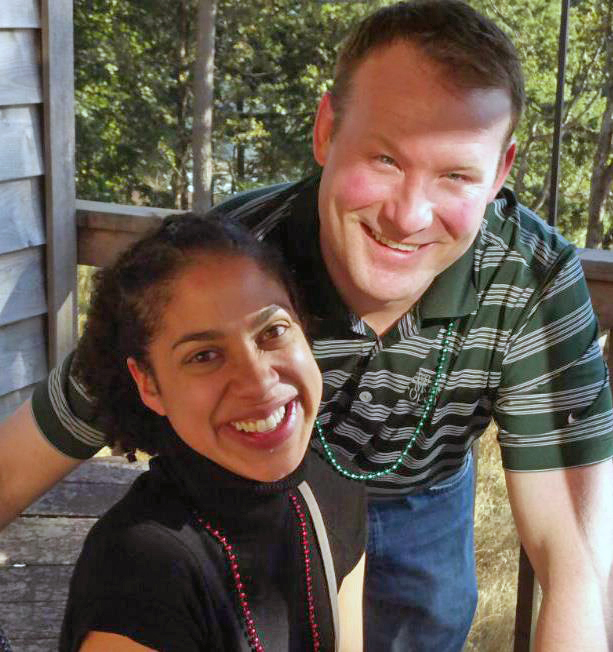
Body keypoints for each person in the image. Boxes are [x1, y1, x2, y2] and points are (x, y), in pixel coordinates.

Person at [1, 1, 612, 650]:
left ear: (500, 172)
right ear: (326, 132)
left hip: (425, 504)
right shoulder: (231, 263)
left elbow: (575, 558)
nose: (407, 216)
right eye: (383, 158)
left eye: (455, 173)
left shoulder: (532, 280)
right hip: (250, 510)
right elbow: (18, 463)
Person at [59, 213, 366, 651]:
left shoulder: (335, 492)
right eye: (204, 356)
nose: (258, 382)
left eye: (273, 331)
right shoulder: (139, 575)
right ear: (149, 383)